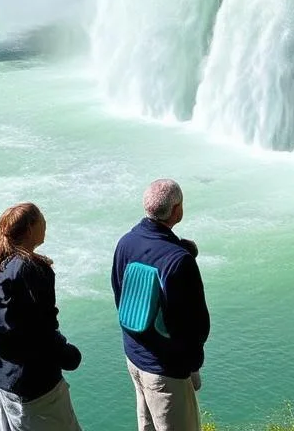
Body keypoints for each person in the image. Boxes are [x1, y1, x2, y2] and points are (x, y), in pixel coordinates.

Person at [111, 179, 210, 431]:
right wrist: (191, 363)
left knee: (146, 426)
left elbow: (119, 294)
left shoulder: (126, 242)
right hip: (166, 371)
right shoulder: (179, 261)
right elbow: (197, 325)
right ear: (177, 211)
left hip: (135, 357)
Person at [0, 203, 84, 431]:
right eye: (42, 221)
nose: (46, 225)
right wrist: (67, 354)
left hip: (0, 371)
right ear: (29, 230)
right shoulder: (32, 271)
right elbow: (41, 328)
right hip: (33, 384)